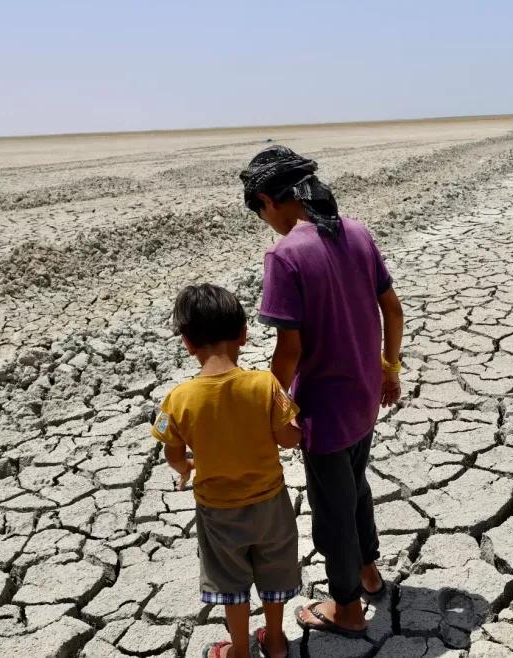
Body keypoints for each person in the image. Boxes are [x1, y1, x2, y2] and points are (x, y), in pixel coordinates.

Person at [239, 146, 405, 638]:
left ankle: (347, 609)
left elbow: (288, 351)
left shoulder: (287, 254)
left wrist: (274, 409)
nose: (266, 223)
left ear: (269, 199)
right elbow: (391, 310)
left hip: (325, 409)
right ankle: (369, 573)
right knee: (355, 489)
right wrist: (389, 369)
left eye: (261, 212)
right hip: (363, 395)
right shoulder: (356, 231)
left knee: (332, 509)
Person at [152, 283, 302, 658]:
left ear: (187, 343)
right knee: (273, 572)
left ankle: (239, 650)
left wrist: (186, 466)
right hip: (271, 503)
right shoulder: (265, 385)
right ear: (243, 334)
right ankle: (278, 641)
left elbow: (172, 452)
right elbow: (287, 439)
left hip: (218, 512)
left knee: (232, 583)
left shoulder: (177, 399)